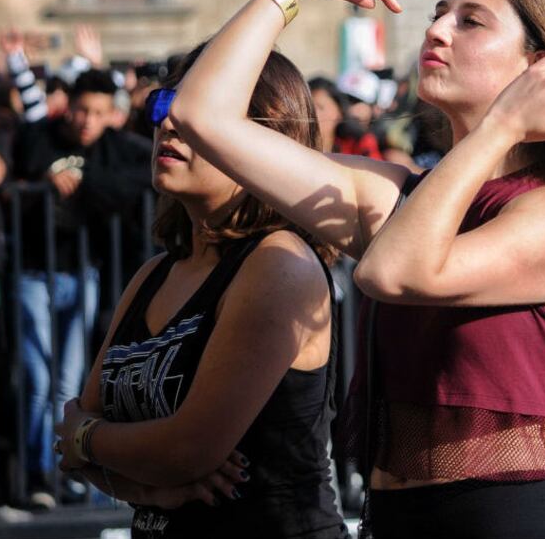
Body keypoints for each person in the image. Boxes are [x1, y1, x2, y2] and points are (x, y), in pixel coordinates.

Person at [164, 0, 545, 538]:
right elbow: (202, 114)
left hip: (499, 524)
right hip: (389, 520)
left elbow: (395, 271)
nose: (438, 30)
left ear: (539, 65)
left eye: (470, 21)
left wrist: (501, 126)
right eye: (439, 14)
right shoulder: (402, 196)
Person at [54, 43, 349, 538]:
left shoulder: (278, 263)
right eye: (165, 103)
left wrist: (89, 437)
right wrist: (152, 489)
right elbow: (74, 449)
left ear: (264, 137)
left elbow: (188, 449)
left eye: (199, 108)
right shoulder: (155, 274)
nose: (169, 123)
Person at [11, 67, 151, 507]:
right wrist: (42, 188)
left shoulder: (115, 148)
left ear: (110, 114)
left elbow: (137, 179)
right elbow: (11, 183)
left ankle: (62, 473)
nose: (87, 121)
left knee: (68, 379)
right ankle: (39, 475)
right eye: (81, 110)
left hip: (84, 273)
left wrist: (87, 186)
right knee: (38, 377)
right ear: (67, 107)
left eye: (97, 113)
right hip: (34, 273)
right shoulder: (37, 137)